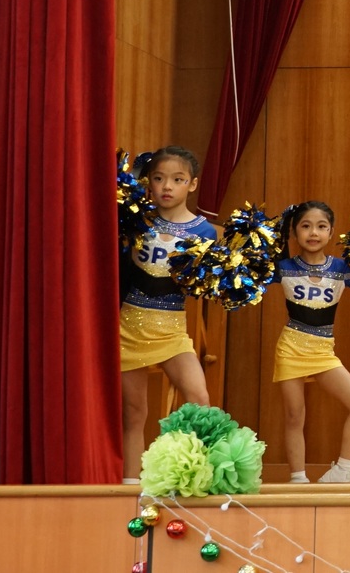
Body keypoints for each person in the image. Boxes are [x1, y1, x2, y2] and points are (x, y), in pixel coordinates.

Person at [119, 146, 214, 484]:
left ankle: (195, 477)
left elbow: (204, 284)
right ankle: (131, 486)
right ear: (149, 182)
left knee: (200, 399)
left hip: (172, 330)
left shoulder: (205, 231)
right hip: (128, 327)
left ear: (192, 184)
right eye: (158, 179)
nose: (167, 187)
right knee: (134, 413)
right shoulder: (136, 218)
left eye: (177, 179)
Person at [271, 201, 350, 484]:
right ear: (294, 232)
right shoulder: (284, 267)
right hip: (291, 347)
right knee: (295, 415)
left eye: (321, 226)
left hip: (323, 351)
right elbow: (247, 284)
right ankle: (298, 478)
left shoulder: (341, 268)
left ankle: (343, 471)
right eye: (305, 226)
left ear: (331, 232)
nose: (313, 233)